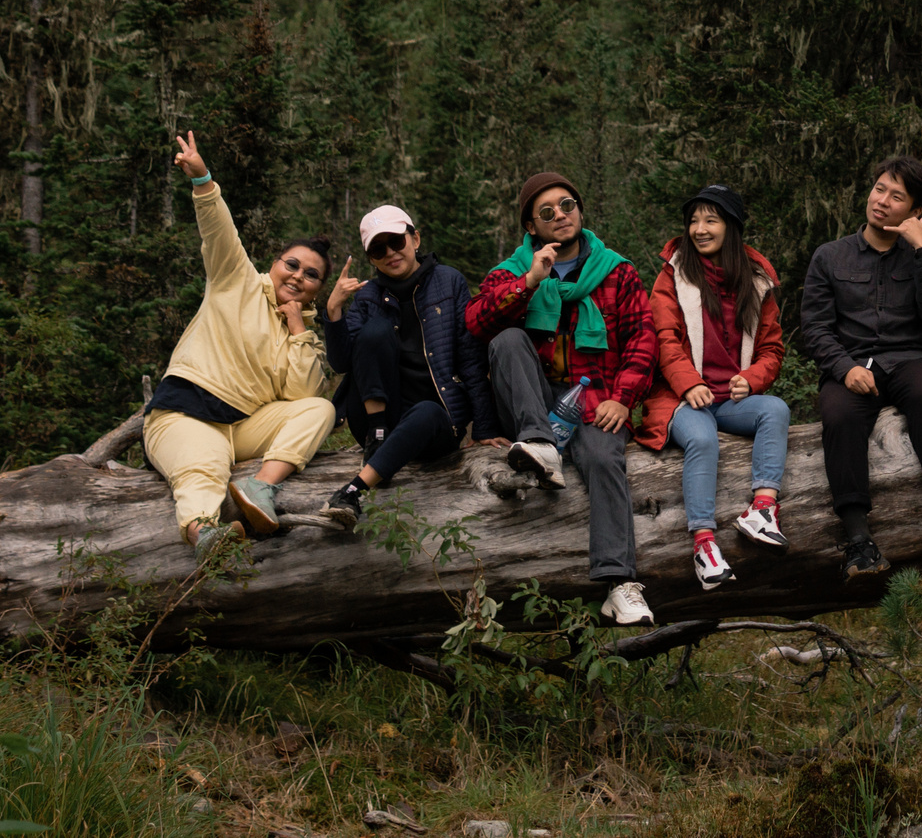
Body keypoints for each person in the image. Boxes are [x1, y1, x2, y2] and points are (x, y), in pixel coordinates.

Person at [464, 170, 657, 625]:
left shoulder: (617, 271)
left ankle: (619, 582)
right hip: (528, 402)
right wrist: (529, 282)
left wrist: (624, 398)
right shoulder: (511, 271)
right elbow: (476, 324)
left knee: (606, 460)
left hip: (594, 399)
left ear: (580, 210)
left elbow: (642, 340)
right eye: (546, 212)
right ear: (532, 227)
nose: (560, 216)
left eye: (567, 205)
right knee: (508, 339)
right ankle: (540, 445)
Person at [140, 133, 339, 558]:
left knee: (321, 407)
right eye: (292, 265)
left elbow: (302, 394)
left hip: (242, 429)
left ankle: (260, 485)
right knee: (204, 471)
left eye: (311, 275)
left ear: (317, 289)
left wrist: (296, 326)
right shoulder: (237, 279)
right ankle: (204, 534)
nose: (298, 277)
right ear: (274, 263)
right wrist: (204, 181)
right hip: (185, 414)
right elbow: (219, 231)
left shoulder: (302, 331)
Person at [800, 155, 922, 583]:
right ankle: (859, 540)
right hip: (852, 364)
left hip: (910, 358)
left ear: (915, 212)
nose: (882, 201)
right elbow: (815, 327)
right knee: (838, 414)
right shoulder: (830, 256)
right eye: (880, 189)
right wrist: (843, 368)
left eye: (897, 197)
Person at [636, 185, 793, 590]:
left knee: (774, 409)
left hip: (728, 400)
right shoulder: (673, 274)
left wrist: (753, 378)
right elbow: (665, 337)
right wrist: (689, 384)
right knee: (703, 438)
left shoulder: (756, 281)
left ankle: (761, 510)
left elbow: (773, 348)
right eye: (693, 220)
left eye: (711, 220)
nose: (699, 229)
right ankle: (704, 545)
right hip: (679, 399)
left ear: (732, 226)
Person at [318, 203, 488, 523]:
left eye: (396, 242)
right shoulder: (368, 295)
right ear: (371, 258)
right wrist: (334, 310)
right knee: (373, 332)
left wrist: (484, 426)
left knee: (427, 411)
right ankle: (378, 437)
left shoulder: (449, 282)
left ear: (415, 239)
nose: (390, 254)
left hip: (435, 423)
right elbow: (342, 363)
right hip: (375, 419)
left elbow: (470, 358)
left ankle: (353, 491)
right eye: (378, 249)